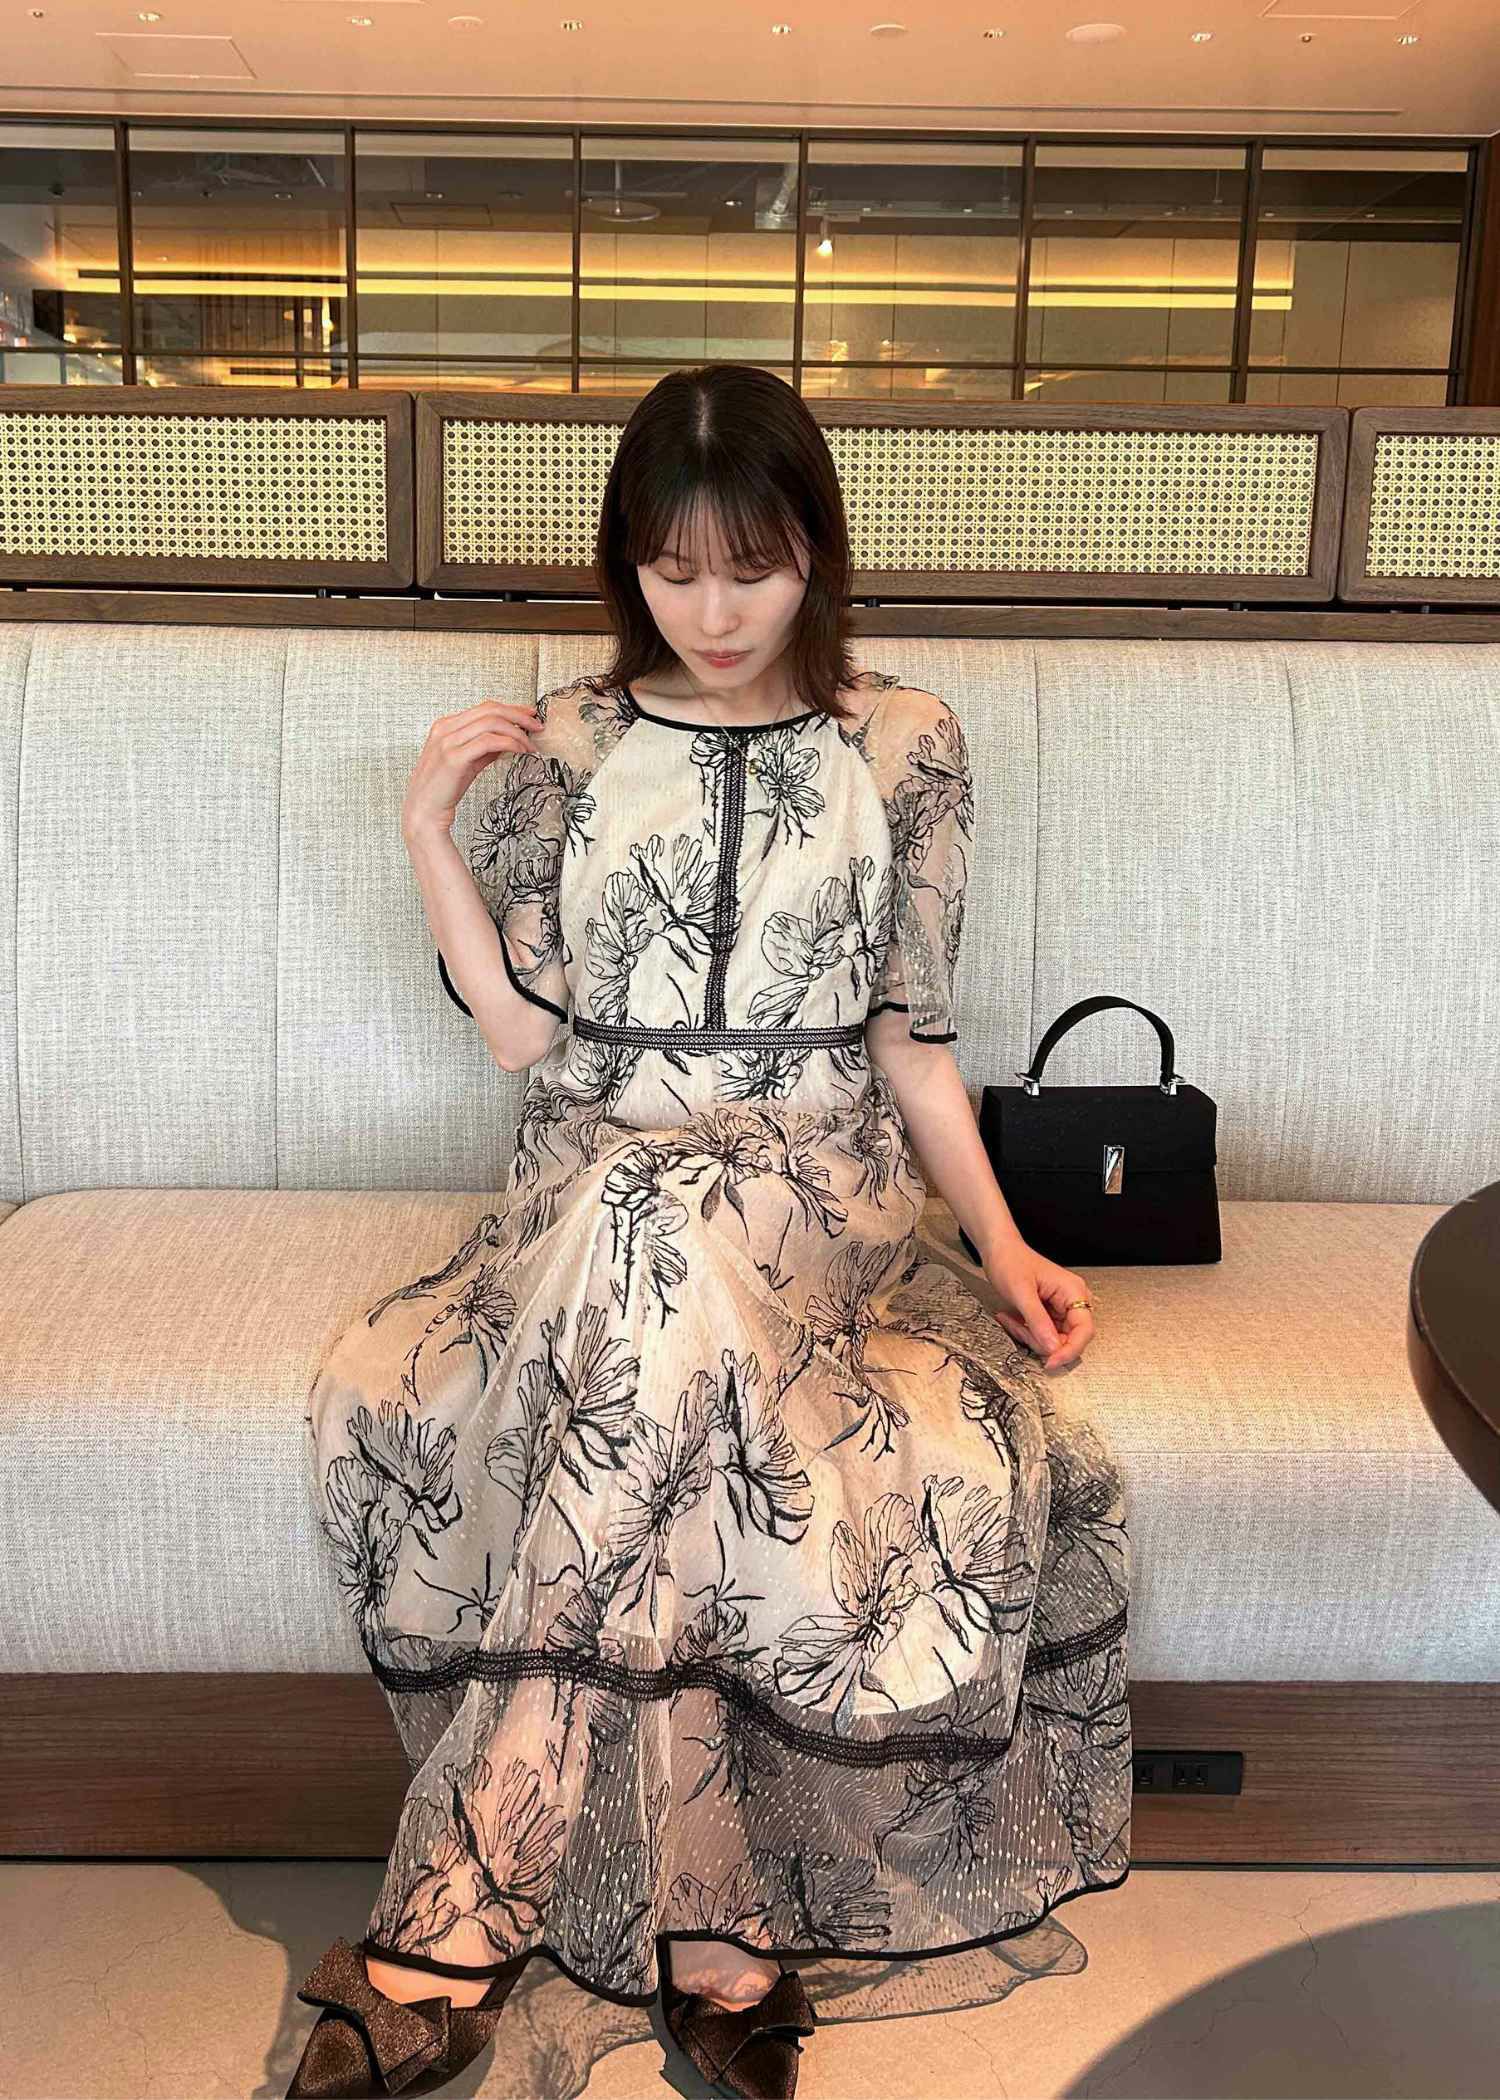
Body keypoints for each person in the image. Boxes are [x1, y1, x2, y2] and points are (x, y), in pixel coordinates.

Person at [289, 362, 1131, 2100]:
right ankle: (711, 1925)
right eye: (675, 573)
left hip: (816, 1193)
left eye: (754, 567)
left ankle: (463, 1908)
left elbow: (913, 1040)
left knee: (657, 1244)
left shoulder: (907, 741)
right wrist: (427, 832)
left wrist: (1004, 1247)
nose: (717, 611)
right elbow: (523, 1037)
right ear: (630, 568)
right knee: (644, 1241)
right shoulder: (571, 738)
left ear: (818, 549)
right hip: (592, 1184)